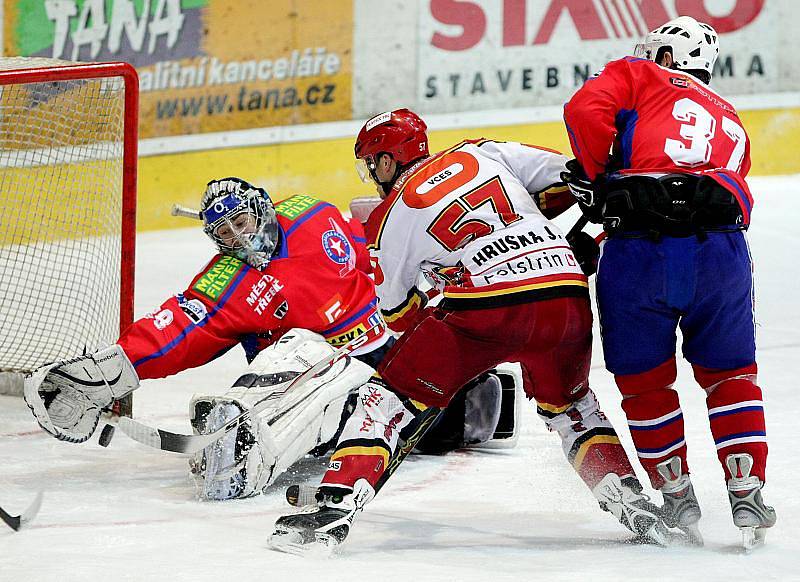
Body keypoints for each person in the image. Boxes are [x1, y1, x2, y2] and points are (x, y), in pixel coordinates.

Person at [269, 109, 678, 554]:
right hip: (565, 293)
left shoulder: (391, 215)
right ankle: (633, 505)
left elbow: (398, 315)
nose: (373, 175)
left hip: (487, 309)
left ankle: (332, 510)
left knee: (390, 396)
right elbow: (571, 178)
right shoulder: (483, 152)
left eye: (372, 164)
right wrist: (540, 235)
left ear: (387, 162)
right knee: (572, 407)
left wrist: (444, 284)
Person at [24, 177, 391, 498]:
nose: (239, 237)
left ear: (261, 209)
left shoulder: (312, 213)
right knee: (295, 349)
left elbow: (368, 253)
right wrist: (110, 372)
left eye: (241, 222)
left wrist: (385, 227)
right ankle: (243, 451)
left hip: (386, 357)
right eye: (225, 232)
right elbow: (177, 329)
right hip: (323, 385)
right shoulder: (226, 282)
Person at [561, 16, 776, 548]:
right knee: (731, 377)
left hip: (638, 251)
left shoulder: (638, 72)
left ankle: (675, 493)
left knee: (644, 384)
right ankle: (746, 486)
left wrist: (598, 176)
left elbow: (583, 109)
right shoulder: (731, 119)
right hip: (720, 255)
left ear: (662, 55)